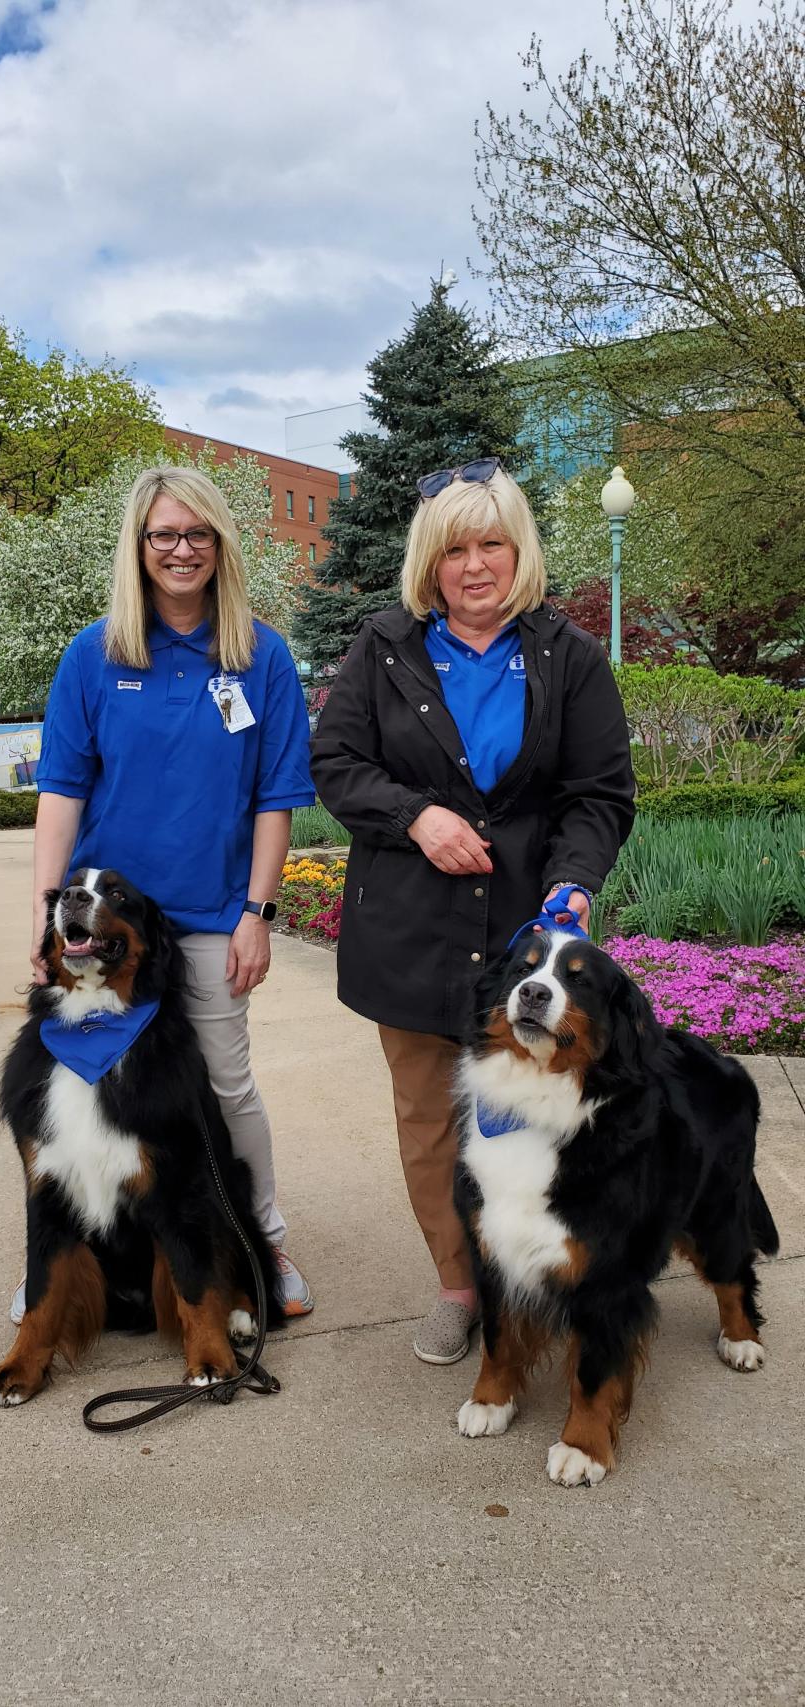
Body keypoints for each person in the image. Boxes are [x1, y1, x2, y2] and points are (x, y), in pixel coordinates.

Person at [311, 459, 635, 1365]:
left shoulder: (567, 657)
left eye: (492, 542)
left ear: (518, 550)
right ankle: (462, 1288)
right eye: (455, 547)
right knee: (430, 1119)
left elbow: (600, 792)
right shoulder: (383, 648)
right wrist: (415, 815)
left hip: (527, 941)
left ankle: (545, 1271)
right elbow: (335, 765)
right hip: (410, 935)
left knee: (546, 1113)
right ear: (431, 559)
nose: (475, 564)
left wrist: (572, 884)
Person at [11, 464, 316, 1322]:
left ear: (221, 545)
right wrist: (47, 916)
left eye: (197, 534)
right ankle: (62, 1254)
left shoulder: (260, 655)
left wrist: (258, 913)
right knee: (84, 1088)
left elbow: (276, 796)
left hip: (215, 915)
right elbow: (62, 791)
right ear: (139, 548)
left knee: (221, 1085)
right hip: (108, 925)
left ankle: (261, 1237)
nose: (181, 550)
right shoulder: (95, 653)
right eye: (163, 536)